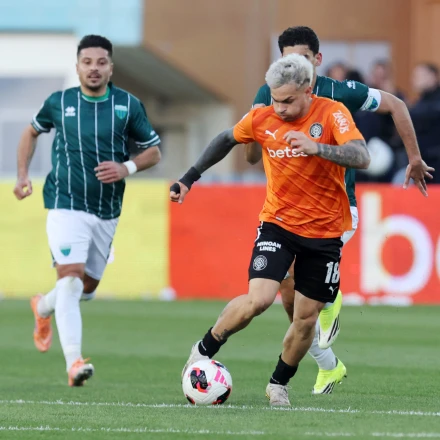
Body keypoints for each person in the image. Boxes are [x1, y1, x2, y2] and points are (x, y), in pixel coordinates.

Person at [170, 53, 370, 405]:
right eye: (275, 100)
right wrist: (189, 178)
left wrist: (317, 147)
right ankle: (203, 349)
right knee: (259, 299)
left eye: (288, 101)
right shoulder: (262, 117)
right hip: (278, 224)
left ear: (308, 90)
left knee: (305, 319)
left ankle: (278, 384)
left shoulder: (332, 113)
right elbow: (225, 139)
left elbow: (362, 156)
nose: (280, 108)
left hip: (325, 233)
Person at [246, 27, 435, 394]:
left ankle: (331, 299)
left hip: (336, 208)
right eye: (287, 59)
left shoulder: (340, 91)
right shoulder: (268, 94)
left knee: (305, 284)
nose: (294, 66)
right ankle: (329, 365)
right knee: (289, 297)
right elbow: (251, 149)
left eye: (302, 58)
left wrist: (414, 158)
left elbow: (397, 105)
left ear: (317, 60)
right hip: (287, 211)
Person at [13, 35, 161, 386]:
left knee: (87, 288)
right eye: (87, 62)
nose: (94, 68)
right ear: (78, 66)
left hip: (107, 211)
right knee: (69, 277)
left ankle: (42, 307)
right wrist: (22, 175)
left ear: (111, 68)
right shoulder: (59, 102)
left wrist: (126, 167)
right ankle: (74, 362)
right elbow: (30, 132)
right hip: (65, 204)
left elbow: (154, 151)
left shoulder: (128, 105)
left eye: (101, 62)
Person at [410, 62, 440, 183]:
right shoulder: (421, 101)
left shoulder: (435, 101)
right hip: (423, 160)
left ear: (433, 77)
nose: (414, 80)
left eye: (419, 76)